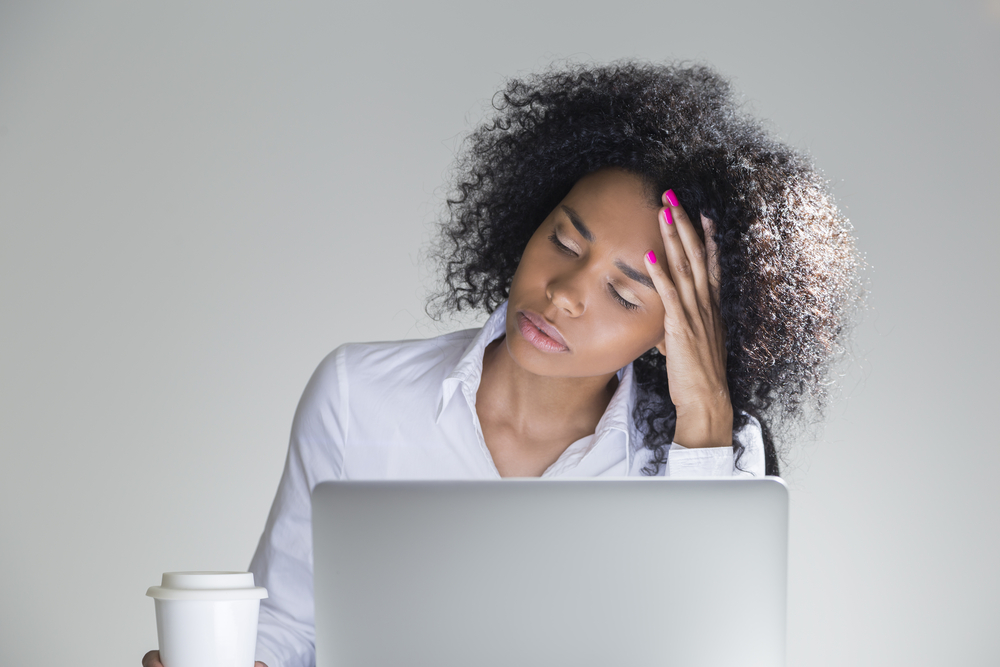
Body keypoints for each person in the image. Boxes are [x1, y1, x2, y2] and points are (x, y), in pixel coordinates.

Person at [143, 60, 860, 667]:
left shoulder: (704, 459)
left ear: (673, 330)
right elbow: (288, 630)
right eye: (563, 242)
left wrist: (705, 411)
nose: (566, 293)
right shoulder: (358, 395)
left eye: (622, 290)